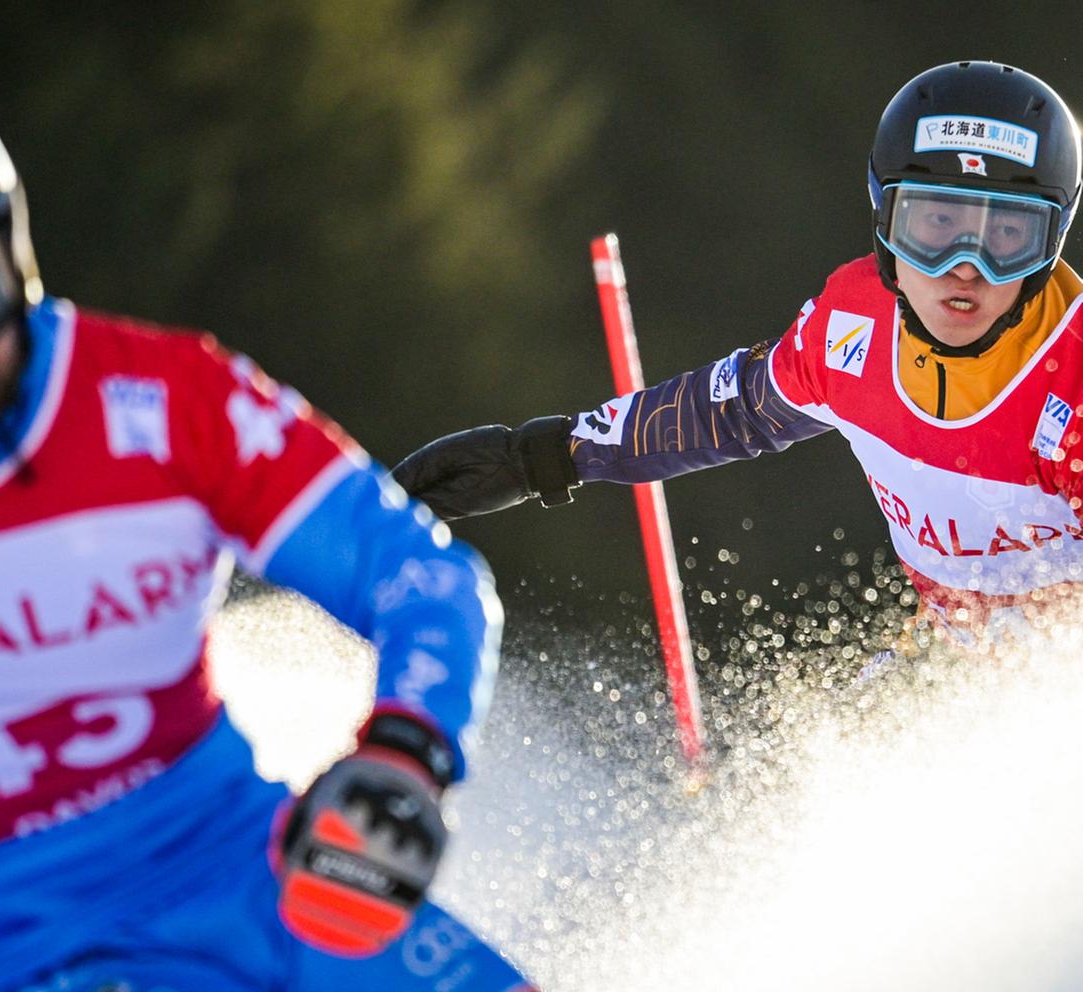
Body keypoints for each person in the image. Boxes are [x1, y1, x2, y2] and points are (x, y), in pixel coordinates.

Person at [0, 74, 854, 992]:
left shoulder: (159, 400)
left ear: (16, 259)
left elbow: (417, 575)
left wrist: (403, 753)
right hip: (16, 970)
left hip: (257, 876)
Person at [394, 60, 1083, 654]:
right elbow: (732, 411)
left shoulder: (1071, 382)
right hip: (949, 663)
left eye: (1008, 235)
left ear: (1050, 245)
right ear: (886, 221)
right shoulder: (852, 328)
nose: (966, 268)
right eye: (936, 225)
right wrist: (540, 456)